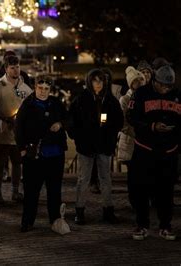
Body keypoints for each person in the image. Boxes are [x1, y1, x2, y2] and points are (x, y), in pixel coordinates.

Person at [127, 65, 179, 241]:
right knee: (141, 190)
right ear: (155, 81)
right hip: (145, 151)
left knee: (166, 191)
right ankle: (142, 225)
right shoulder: (141, 94)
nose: (165, 89)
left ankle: (165, 226)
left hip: (168, 152)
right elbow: (131, 117)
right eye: (163, 85)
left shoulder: (176, 95)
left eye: (168, 86)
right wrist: (152, 126)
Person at [67, 69, 123, 225]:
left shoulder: (110, 100)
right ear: (89, 82)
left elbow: (119, 121)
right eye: (95, 80)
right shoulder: (81, 100)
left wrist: (110, 134)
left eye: (101, 81)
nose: (98, 84)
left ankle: (108, 210)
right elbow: (71, 121)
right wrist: (78, 137)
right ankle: (79, 210)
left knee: (105, 178)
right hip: (86, 146)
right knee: (83, 179)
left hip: (104, 145)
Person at [15, 76, 68, 233]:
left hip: (55, 154)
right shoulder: (28, 105)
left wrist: (60, 124)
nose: (43, 91)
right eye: (40, 88)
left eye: (46, 88)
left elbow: (67, 118)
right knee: (31, 191)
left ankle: (55, 220)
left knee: (54, 190)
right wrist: (23, 149)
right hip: (35, 155)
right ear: (35, 88)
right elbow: (19, 129)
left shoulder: (56, 103)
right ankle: (28, 221)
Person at [0, 55, 32, 204]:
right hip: (1, 133)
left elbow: (29, 107)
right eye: (12, 67)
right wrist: (6, 119)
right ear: (6, 69)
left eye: (17, 67)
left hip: (18, 134)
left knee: (17, 162)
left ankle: (15, 191)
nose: (15, 70)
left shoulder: (25, 88)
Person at [117, 67, 146, 206]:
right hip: (130, 142)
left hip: (145, 142)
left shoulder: (147, 97)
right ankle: (135, 201)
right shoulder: (125, 100)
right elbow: (121, 123)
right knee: (133, 175)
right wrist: (136, 132)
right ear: (130, 83)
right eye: (136, 80)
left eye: (141, 79)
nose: (140, 82)